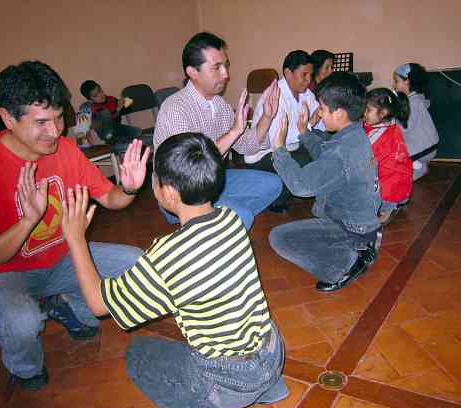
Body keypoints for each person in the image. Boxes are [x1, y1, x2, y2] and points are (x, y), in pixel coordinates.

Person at [61, 132, 288, 408]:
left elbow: (98, 304)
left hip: (233, 383)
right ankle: (270, 388)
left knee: (139, 354)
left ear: (168, 193)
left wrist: (76, 238)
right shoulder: (232, 219)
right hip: (272, 354)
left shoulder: (166, 257)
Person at [0, 61, 150, 390]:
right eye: (41, 122)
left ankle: (64, 303)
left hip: (62, 258)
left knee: (136, 263)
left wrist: (129, 187)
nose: (56, 130)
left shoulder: (67, 149)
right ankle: (27, 368)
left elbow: (112, 199)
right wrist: (29, 220)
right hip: (5, 273)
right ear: (8, 118)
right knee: (22, 322)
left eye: (59, 117)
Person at [153, 32, 283, 230]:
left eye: (226, 65)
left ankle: (209, 221)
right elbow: (187, 170)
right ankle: (207, 221)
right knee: (242, 215)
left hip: (213, 183)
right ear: (192, 72)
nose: (226, 74)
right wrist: (233, 132)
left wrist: (267, 116)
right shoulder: (175, 108)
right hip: (181, 194)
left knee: (274, 184)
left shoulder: (219, 105)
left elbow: (247, 146)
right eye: (217, 68)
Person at [269, 72, 382, 293]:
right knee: (310, 227)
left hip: (352, 228)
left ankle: (344, 265)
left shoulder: (341, 150)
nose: (318, 114)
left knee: (279, 237)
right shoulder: (354, 136)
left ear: (339, 113)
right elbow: (325, 154)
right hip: (364, 224)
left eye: (321, 108)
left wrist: (279, 149)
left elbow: (300, 186)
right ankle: (360, 246)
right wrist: (305, 133)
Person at [245, 50, 321, 213]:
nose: (309, 80)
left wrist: (319, 116)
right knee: (305, 164)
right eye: (304, 75)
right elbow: (278, 140)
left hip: (291, 147)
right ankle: (274, 200)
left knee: (322, 153)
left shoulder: (305, 93)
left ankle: (293, 189)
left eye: (311, 75)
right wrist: (309, 124)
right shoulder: (274, 96)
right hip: (265, 153)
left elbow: (319, 116)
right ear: (288, 73)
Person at [363, 88, 413, 225]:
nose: (364, 113)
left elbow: (366, 159)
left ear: (383, 113)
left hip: (393, 186)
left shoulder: (383, 134)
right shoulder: (385, 125)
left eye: (368, 110)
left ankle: (390, 206)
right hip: (398, 182)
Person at [393, 63, 439, 181]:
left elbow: (405, 127)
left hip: (423, 148)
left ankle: (416, 167)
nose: (394, 85)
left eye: (396, 81)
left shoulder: (413, 103)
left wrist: (391, 121)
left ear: (407, 81)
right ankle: (418, 164)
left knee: (390, 154)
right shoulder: (417, 99)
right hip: (428, 146)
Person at [77, 79, 142, 145]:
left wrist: (126, 103)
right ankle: (111, 139)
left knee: (138, 132)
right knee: (105, 113)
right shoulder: (94, 107)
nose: (100, 95)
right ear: (90, 99)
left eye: (100, 91)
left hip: (117, 128)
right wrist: (118, 109)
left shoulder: (111, 99)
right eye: (95, 95)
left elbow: (125, 111)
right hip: (105, 131)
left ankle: (118, 139)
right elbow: (110, 118)